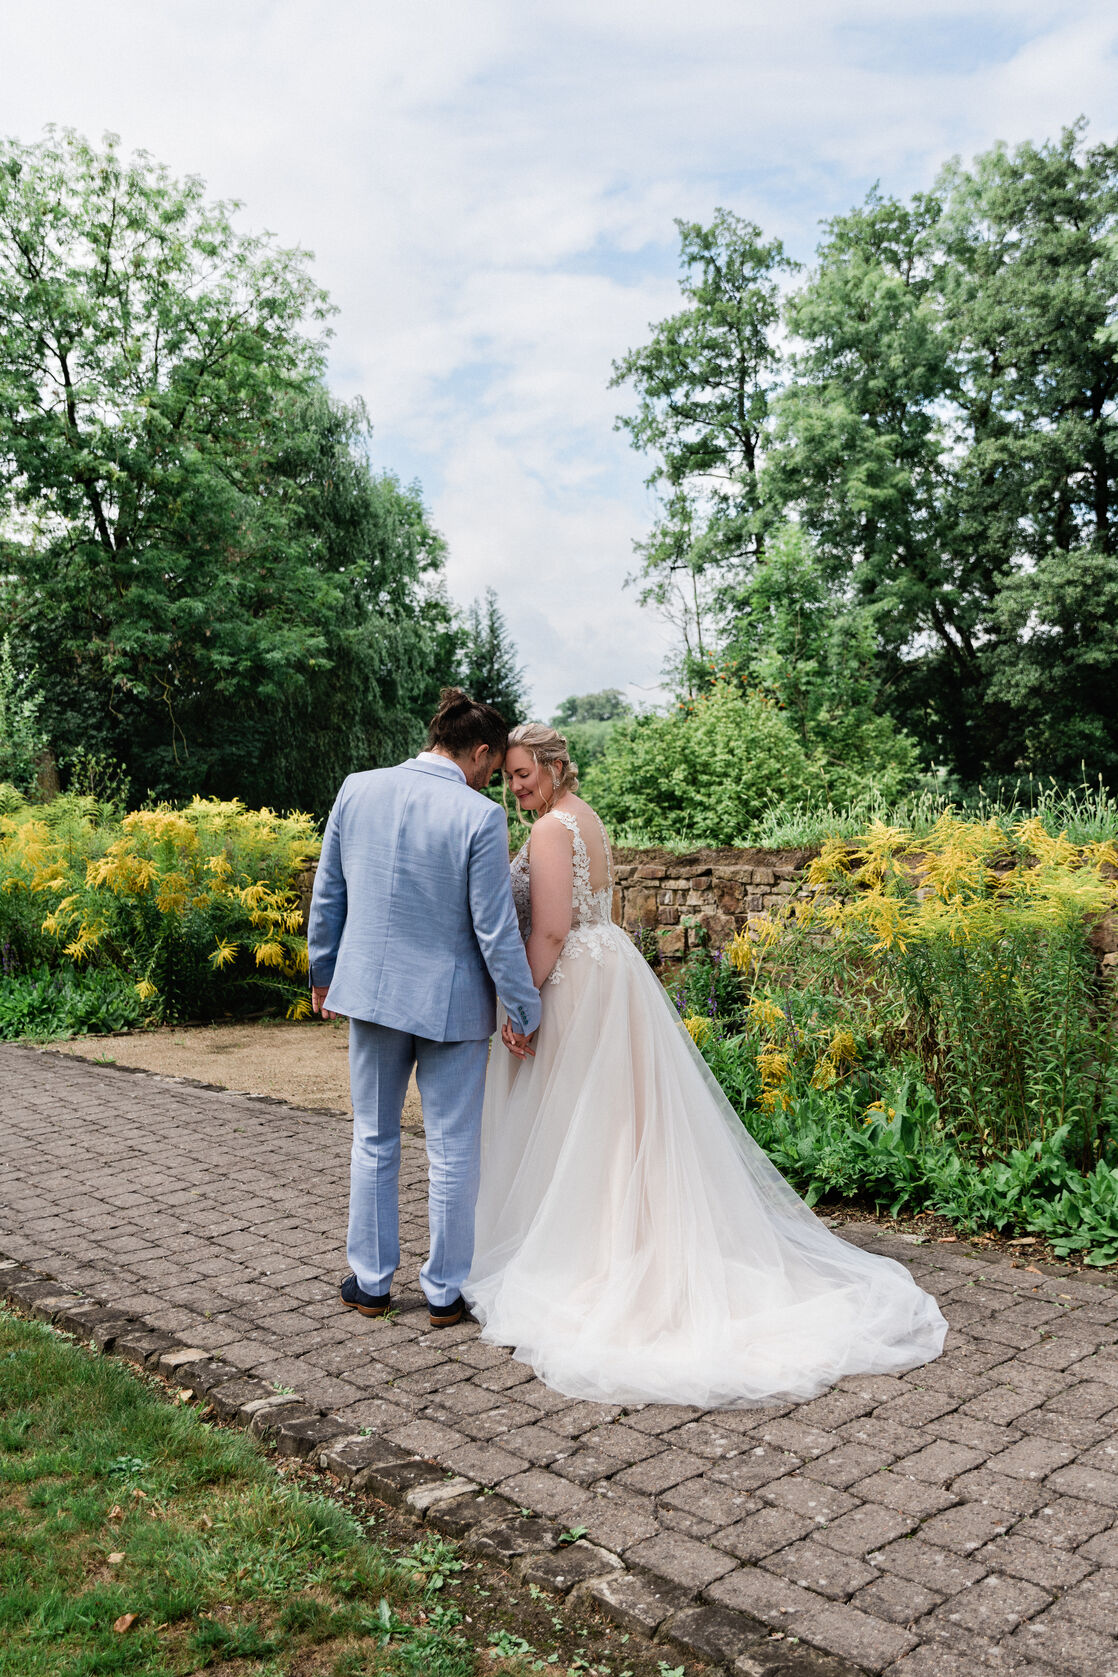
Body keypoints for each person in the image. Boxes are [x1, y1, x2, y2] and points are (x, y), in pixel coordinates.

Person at [464, 722, 947, 1406]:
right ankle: (624, 1238)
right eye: (509, 775)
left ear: (552, 765)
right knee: (615, 1121)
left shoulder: (549, 830)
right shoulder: (587, 819)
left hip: (574, 977)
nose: (515, 787)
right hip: (615, 972)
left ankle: (596, 1256)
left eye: (522, 773)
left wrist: (523, 1005)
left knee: (582, 1119)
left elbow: (547, 928)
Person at [308, 690, 540, 1329]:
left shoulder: (357, 788)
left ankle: (373, 1284)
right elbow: (493, 928)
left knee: (375, 1137)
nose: (491, 782)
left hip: (373, 995)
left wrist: (322, 973)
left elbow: (329, 891)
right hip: (452, 1006)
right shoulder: (478, 817)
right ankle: (444, 1293)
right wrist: (523, 1006)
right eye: (492, 771)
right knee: (453, 1149)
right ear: (482, 752)